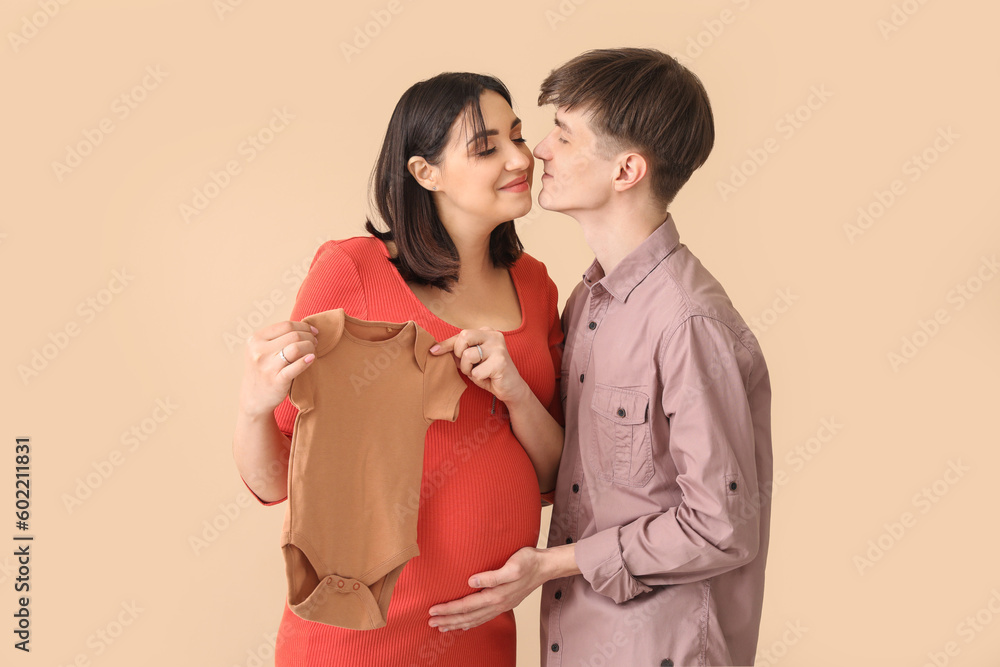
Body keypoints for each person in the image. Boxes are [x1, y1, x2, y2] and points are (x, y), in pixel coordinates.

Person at [427, 48, 773, 666]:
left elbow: (721, 526)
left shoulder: (687, 321)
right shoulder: (587, 300)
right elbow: (582, 481)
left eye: (563, 134)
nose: (540, 152)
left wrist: (553, 564)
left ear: (626, 171)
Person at [231, 72, 565, 667]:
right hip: (358, 637)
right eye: (486, 147)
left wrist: (515, 394)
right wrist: (253, 404)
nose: (521, 157)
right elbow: (277, 479)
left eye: (518, 135)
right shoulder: (353, 272)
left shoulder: (536, 286)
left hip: (481, 630)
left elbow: (555, 479)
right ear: (424, 173)